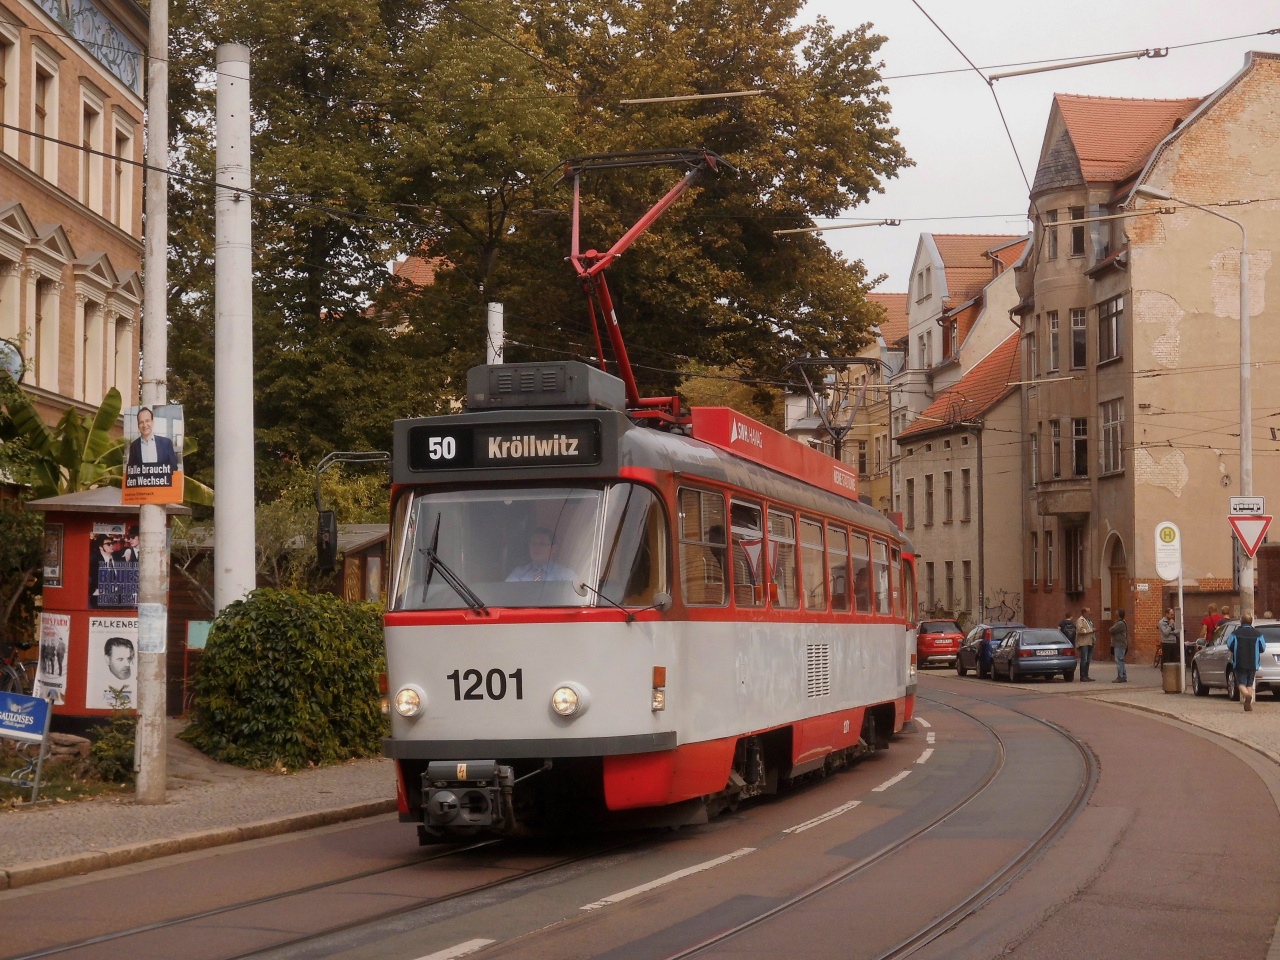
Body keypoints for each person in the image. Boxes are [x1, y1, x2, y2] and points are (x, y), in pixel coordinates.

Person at [127, 407, 179, 484]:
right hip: (143, 491)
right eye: (141, 422)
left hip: (162, 489)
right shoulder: (134, 446)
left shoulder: (166, 443)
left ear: (152, 422)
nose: (145, 425)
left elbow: (174, 468)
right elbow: (131, 471)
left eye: (147, 421)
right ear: (138, 425)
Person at [506, 528, 576, 582]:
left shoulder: (565, 575)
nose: (537, 547)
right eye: (534, 543)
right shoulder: (518, 574)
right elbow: (507, 595)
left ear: (553, 549)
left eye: (542, 544)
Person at [1228, 614, 1266, 711]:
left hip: (1239, 662)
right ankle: (1248, 703)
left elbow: (1229, 645)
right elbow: (1263, 648)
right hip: (1253, 663)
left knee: (1241, 683)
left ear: (1241, 621)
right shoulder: (1258, 634)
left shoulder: (1235, 633)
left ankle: (1246, 695)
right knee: (1249, 683)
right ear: (1251, 622)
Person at [1076, 607, 1097, 681]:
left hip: (1090, 642)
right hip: (1084, 642)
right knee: (1084, 659)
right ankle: (1082, 676)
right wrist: (1091, 630)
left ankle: (1086, 675)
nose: (1090, 613)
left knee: (1088, 659)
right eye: (1088, 612)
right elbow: (1080, 630)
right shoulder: (1080, 620)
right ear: (1084, 613)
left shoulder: (1089, 620)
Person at [1110, 609, 1129, 682]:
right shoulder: (1120, 622)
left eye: (1116, 613)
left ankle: (1120, 677)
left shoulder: (1120, 623)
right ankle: (1123, 676)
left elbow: (1111, 630)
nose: (1115, 614)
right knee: (1121, 661)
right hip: (1120, 644)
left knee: (1119, 661)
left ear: (1119, 614)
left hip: (1119, 644)